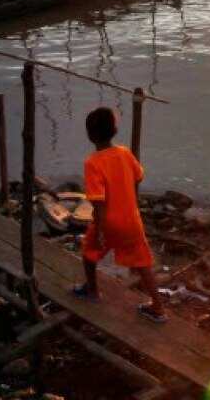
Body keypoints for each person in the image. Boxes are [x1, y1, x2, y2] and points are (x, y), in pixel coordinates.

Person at [72, 107, 166, 323]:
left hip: (108, 222)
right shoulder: (124, 153)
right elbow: (138, 176)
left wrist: (102, 230)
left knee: (89, 253)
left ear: (89, 134)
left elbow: (98, 201)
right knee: (143, 263)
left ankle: (92, 291)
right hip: (131, 220)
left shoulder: (92, 162)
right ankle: (159, 308)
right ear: (115, 129)